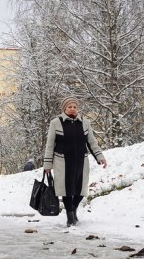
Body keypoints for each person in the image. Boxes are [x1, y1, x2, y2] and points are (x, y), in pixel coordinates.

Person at [43, 96, 107, 227]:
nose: (72, 109)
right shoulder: (56, 123)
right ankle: (70, 217)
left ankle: (72, 208)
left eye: (74, 107)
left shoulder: (85, 122)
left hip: (81, 162)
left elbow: (92, 142)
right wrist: (47, 164)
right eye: (69, 107)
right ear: (64, 108)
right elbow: (50, 145)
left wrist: (100, 157)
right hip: (62, 162)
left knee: (80, 190)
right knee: (67, 190)